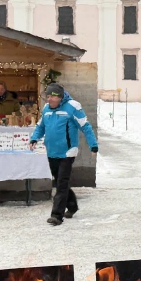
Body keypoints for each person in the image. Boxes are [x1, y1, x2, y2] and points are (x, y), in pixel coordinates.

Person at [29, 83, 98, 226]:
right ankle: (72, 206)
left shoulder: (73, 106)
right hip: (52, 151)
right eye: (47, 96)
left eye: (52, 97)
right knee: (61, 181)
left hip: (67, 152)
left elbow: (85, 126)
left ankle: (56, 215)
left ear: (59, 97)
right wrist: (34, 138)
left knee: (61, 183)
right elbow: (40, 126)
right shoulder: (47, 109)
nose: (49, 100)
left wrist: (93, 145)